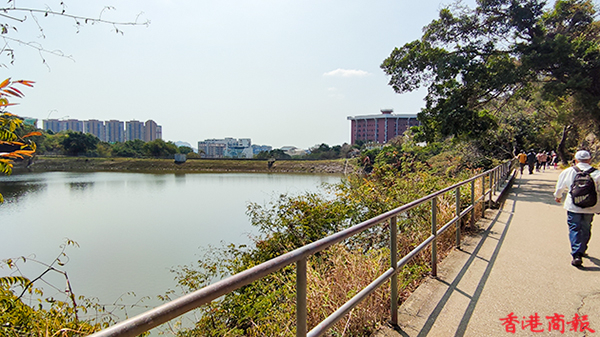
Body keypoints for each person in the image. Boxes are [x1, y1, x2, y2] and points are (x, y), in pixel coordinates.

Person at [554, 150, 600, 267]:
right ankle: (582, 249)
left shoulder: (569, 171)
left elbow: (560, 187)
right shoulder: (597, 173)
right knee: (586, 227)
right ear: (590, 160)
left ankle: (577, 254)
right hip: (591, 207)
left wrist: (558, 197)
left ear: (575, 160)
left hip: (573, 206)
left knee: (574, 228)